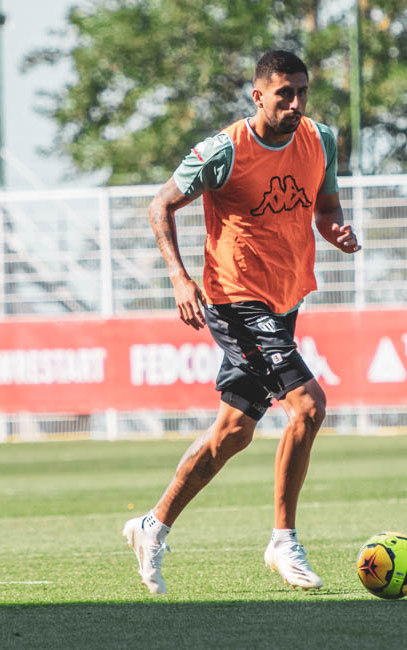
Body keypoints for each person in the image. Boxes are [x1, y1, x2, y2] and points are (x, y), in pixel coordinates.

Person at [122, 50, 361, 594]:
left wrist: (338, 233)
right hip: (236, 301)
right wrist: (180, 278)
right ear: (259, 96)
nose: (296, 103)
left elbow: (325, 210)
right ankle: (283, 541)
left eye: (302, 92)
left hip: (285, 300)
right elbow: (160, 205)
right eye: (284, 94)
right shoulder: (224, 151)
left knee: (233, 433)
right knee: (308, 406)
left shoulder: (320, 140)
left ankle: (152, 525)